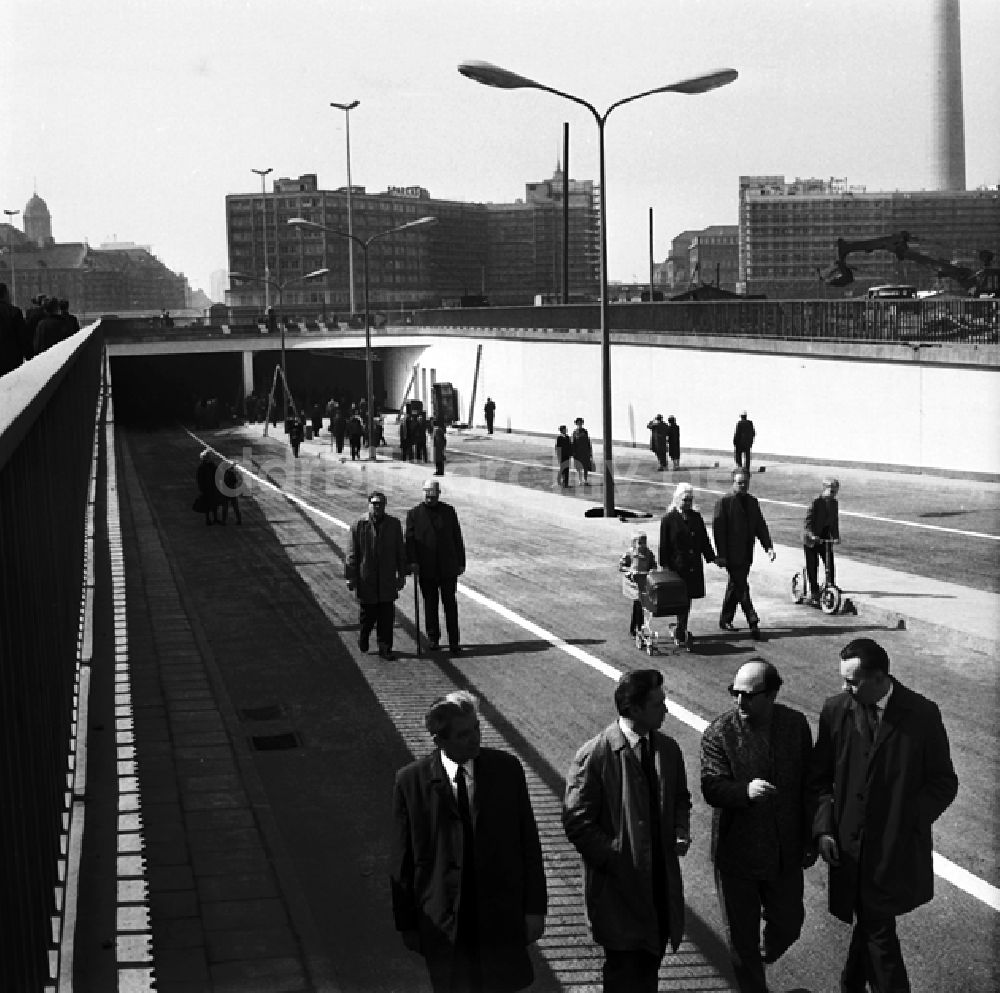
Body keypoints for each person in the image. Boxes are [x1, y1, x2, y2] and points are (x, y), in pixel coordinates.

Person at [810, 638, 958, 993]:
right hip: (848, 849)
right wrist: (823, 829)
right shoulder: (835, 710)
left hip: (893, 851)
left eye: (853, 681)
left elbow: (943, 782)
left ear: (879, 678)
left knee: (877, 928)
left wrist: (908, 821)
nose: (845, 688)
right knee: (874, 926)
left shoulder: (922, 714)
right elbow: (819, 779)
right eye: (844, 680)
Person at [390, 690, 547, 993]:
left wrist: (534, 908)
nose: (474, 738)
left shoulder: (506, 770)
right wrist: (407, 923)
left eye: (476, 728)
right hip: (447, 923)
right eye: (463, 734)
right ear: (439, 741)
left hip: (499, 917)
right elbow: (403, 858)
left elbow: (528, 843)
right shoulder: (411, 782)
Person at [563, 669, 692, 993]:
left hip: (659, 888)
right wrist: (618, 858)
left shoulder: (668, 750)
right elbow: (577, 820)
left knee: (649, 968)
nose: (666, 709)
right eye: (658, 703)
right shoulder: (595, 755)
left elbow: (680, 799)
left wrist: (679, 828)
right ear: (633, 709)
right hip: (618, 894)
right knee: (624, 973)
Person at [701, 659, 817, 993]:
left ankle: (767, 952)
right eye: (735, 694)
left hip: (784, 852)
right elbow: (711, 786)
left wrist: (810, 837)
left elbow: (808, 784)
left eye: (749, 695)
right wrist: (744, 791)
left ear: (773, 694)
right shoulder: (719, 733)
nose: (740, 702)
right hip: (737, 857)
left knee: (789, 924)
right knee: (742, 940)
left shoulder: (795, 725)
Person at [712, 468, 776, 640]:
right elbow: (719, 532)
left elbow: (760, 526)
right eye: (739, 482)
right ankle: (752, 619)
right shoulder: (724, 502)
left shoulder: (753, 502)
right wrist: (721, 555)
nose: (743, 485)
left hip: (747, 553)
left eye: (745, 482)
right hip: (731, 555)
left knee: (736, 585)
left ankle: (725, 619)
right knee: (741, 586)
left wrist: (768, 547)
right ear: (733, 482)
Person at [345, 490, 408, 660]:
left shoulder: (394, 524)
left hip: (387, 580)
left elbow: (400, 552)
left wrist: (402, 574)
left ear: (385, 506)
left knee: (387, 617)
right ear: (369, 505)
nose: (377, 507)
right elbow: (352, 553)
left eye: (380, 503)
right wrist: (351, 576)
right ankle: (364, 636)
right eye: (374, 503)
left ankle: (385, 647)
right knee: (368, 616)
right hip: (367, 580)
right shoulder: (359, 524)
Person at [406, 479, 466, 653]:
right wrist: (412, 562)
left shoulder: (448, 511)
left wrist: (461, 561)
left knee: (450, 604)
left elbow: (457, 537)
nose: (429, 497)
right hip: (426, 568)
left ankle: (454, 641)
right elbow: (410, 542)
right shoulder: (414, 514)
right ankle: (433, 638)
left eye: (432, 494)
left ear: (438, 494)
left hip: (447, 567)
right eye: (426, 493)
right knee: (430, 604)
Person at [658, 482, 719, 645]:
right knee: (679, 598)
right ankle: (680, 627)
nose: (687, 503)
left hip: (693, 565)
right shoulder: (668, 519)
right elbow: (664, 545)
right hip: (677, 566)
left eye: (690, 500)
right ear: (677, 499)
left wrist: (712, 557)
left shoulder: (696, 517)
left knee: (688, 597)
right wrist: (664, 567)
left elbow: (704, 541)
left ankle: (681, 627)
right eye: (685, 500)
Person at [803, 477, 841, 604]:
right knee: (813, 564)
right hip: (812, 537)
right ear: (824, 489)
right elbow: (807, 522)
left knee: (829, 560)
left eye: (835, 492)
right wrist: (812, 535)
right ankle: (813, 590)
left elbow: (834, 522)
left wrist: (835, 536)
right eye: (831, 491)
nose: (833, 494)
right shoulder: (816, 502)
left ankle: (831, 584)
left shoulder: (834, 504)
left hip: (824, 534)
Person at [618, 532, 656, 636]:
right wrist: (629, 571)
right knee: (638, 603)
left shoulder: (649, 553)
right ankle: (638, 627)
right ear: (634, 543)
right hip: (634, 583)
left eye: (644, 542)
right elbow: (621, 566)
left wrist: (652, 570)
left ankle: (637, 627)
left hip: (644, 582)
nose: (642, 545)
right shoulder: (630, 553)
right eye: (640, 543)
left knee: (641, 603)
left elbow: (653, 565)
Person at [0, 283, 29, 376]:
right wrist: (30, 357)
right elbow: (23, 338)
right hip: (11, 362)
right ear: (5, 295)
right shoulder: (14, 312)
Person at [195, 449, 222, 525]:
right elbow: (200, 479)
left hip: (212, 487)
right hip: (207, 488)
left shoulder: (210, 466)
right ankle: (209, 519)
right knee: (208, 504)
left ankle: (214, 518)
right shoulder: (203, 467)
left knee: (214, 503)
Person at [220, 459, 244, 525]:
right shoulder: (231, 473)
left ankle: (223, 521)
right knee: (235, 507)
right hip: (232, 491)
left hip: (225, 492)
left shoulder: (224, 473)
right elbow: (235, 481)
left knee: (225, 507)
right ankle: (239, 520)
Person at [572, 416, 594, 486]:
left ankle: (585, 480)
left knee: (585, 466)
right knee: (579, 467)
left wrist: (590, 452)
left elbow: (588, 442)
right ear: (576, 424)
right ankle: (580, 480)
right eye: (578, 423)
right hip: (578, 452)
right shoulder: (574, 433)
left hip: (585, 452)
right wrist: (573, 452)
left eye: (581, 423)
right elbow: (573, 443)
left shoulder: (585, 431)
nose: (579, 424)